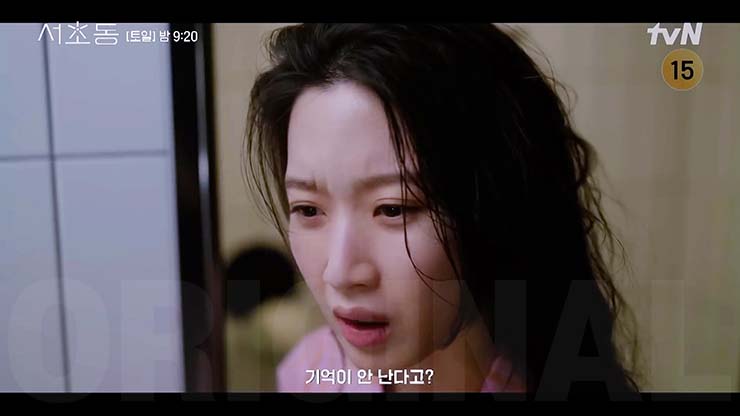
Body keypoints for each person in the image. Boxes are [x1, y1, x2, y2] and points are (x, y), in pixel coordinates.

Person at [243, 24, 639, 395]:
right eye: (308, 210)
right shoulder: (312, 369)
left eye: (393, 209)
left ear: (497, 210)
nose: (340, 273)